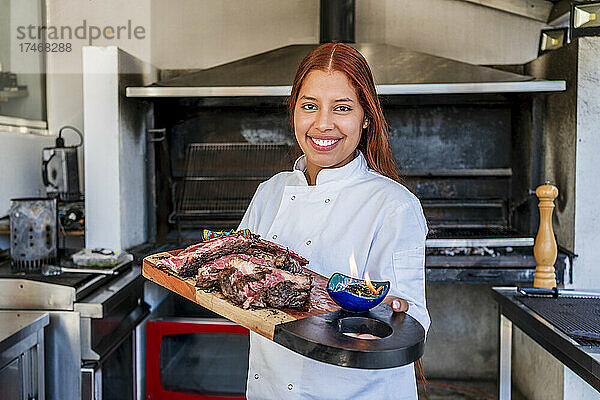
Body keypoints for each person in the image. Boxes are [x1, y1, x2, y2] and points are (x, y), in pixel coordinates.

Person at [238, 42, 429, 400]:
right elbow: (236, 283)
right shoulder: (269, 193)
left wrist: (378, 319)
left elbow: (411, 319)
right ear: (293, 111)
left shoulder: (393, 205)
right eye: (309, 106)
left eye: (342, 108)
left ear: (366, 117)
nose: (322, 124)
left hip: (356, 392)